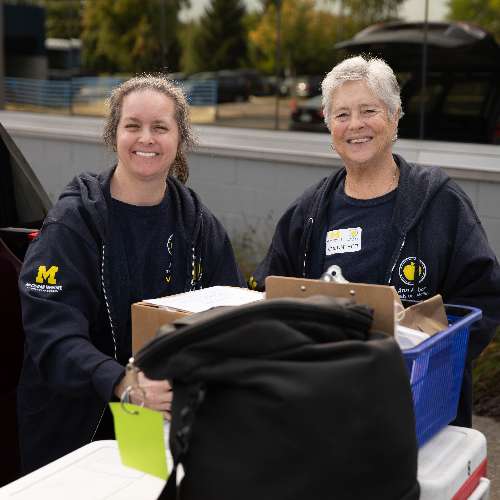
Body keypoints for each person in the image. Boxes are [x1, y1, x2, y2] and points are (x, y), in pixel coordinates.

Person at [251, 55, 500, 427]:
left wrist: (430, 357)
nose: (355, 125)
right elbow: (267, 298)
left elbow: (483, 298)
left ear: (395, 115)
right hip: (327, 407)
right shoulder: (307, 213)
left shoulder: (441, 203)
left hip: (418, 409)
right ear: (328, 124)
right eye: (342, 114)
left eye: (369, 110)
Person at [17, 74, 245, 473]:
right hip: (77, 426)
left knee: (147, 486)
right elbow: (51, 335)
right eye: (133, 126)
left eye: (160, 127)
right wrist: (122, 383)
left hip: (156, 422)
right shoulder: (73, 223)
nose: (146, 138)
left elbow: (232, 317)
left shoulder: (197, 225)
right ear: (114, 135)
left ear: (179, 139)